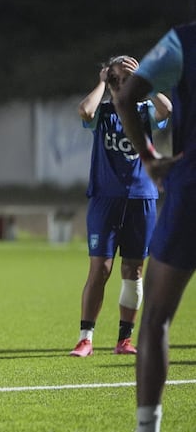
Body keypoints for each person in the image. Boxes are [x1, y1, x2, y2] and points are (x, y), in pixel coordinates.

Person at [99, 21, 196, 432]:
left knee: (155, 317)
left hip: (190, 188)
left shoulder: (183, 39)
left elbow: (125, 96)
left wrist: (152, 160)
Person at [70, 56, 171, 358]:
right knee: (100, 269)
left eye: (126, 79)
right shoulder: (102, 113)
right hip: (105, 199)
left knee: (133, 270)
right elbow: (84, 110)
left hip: (142, 198)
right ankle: (85, 337)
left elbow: (168, 109)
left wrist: (145, 77)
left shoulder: (144, 112)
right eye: (117, 78)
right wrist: (103, 80)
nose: (121, 83)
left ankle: (124, 340)